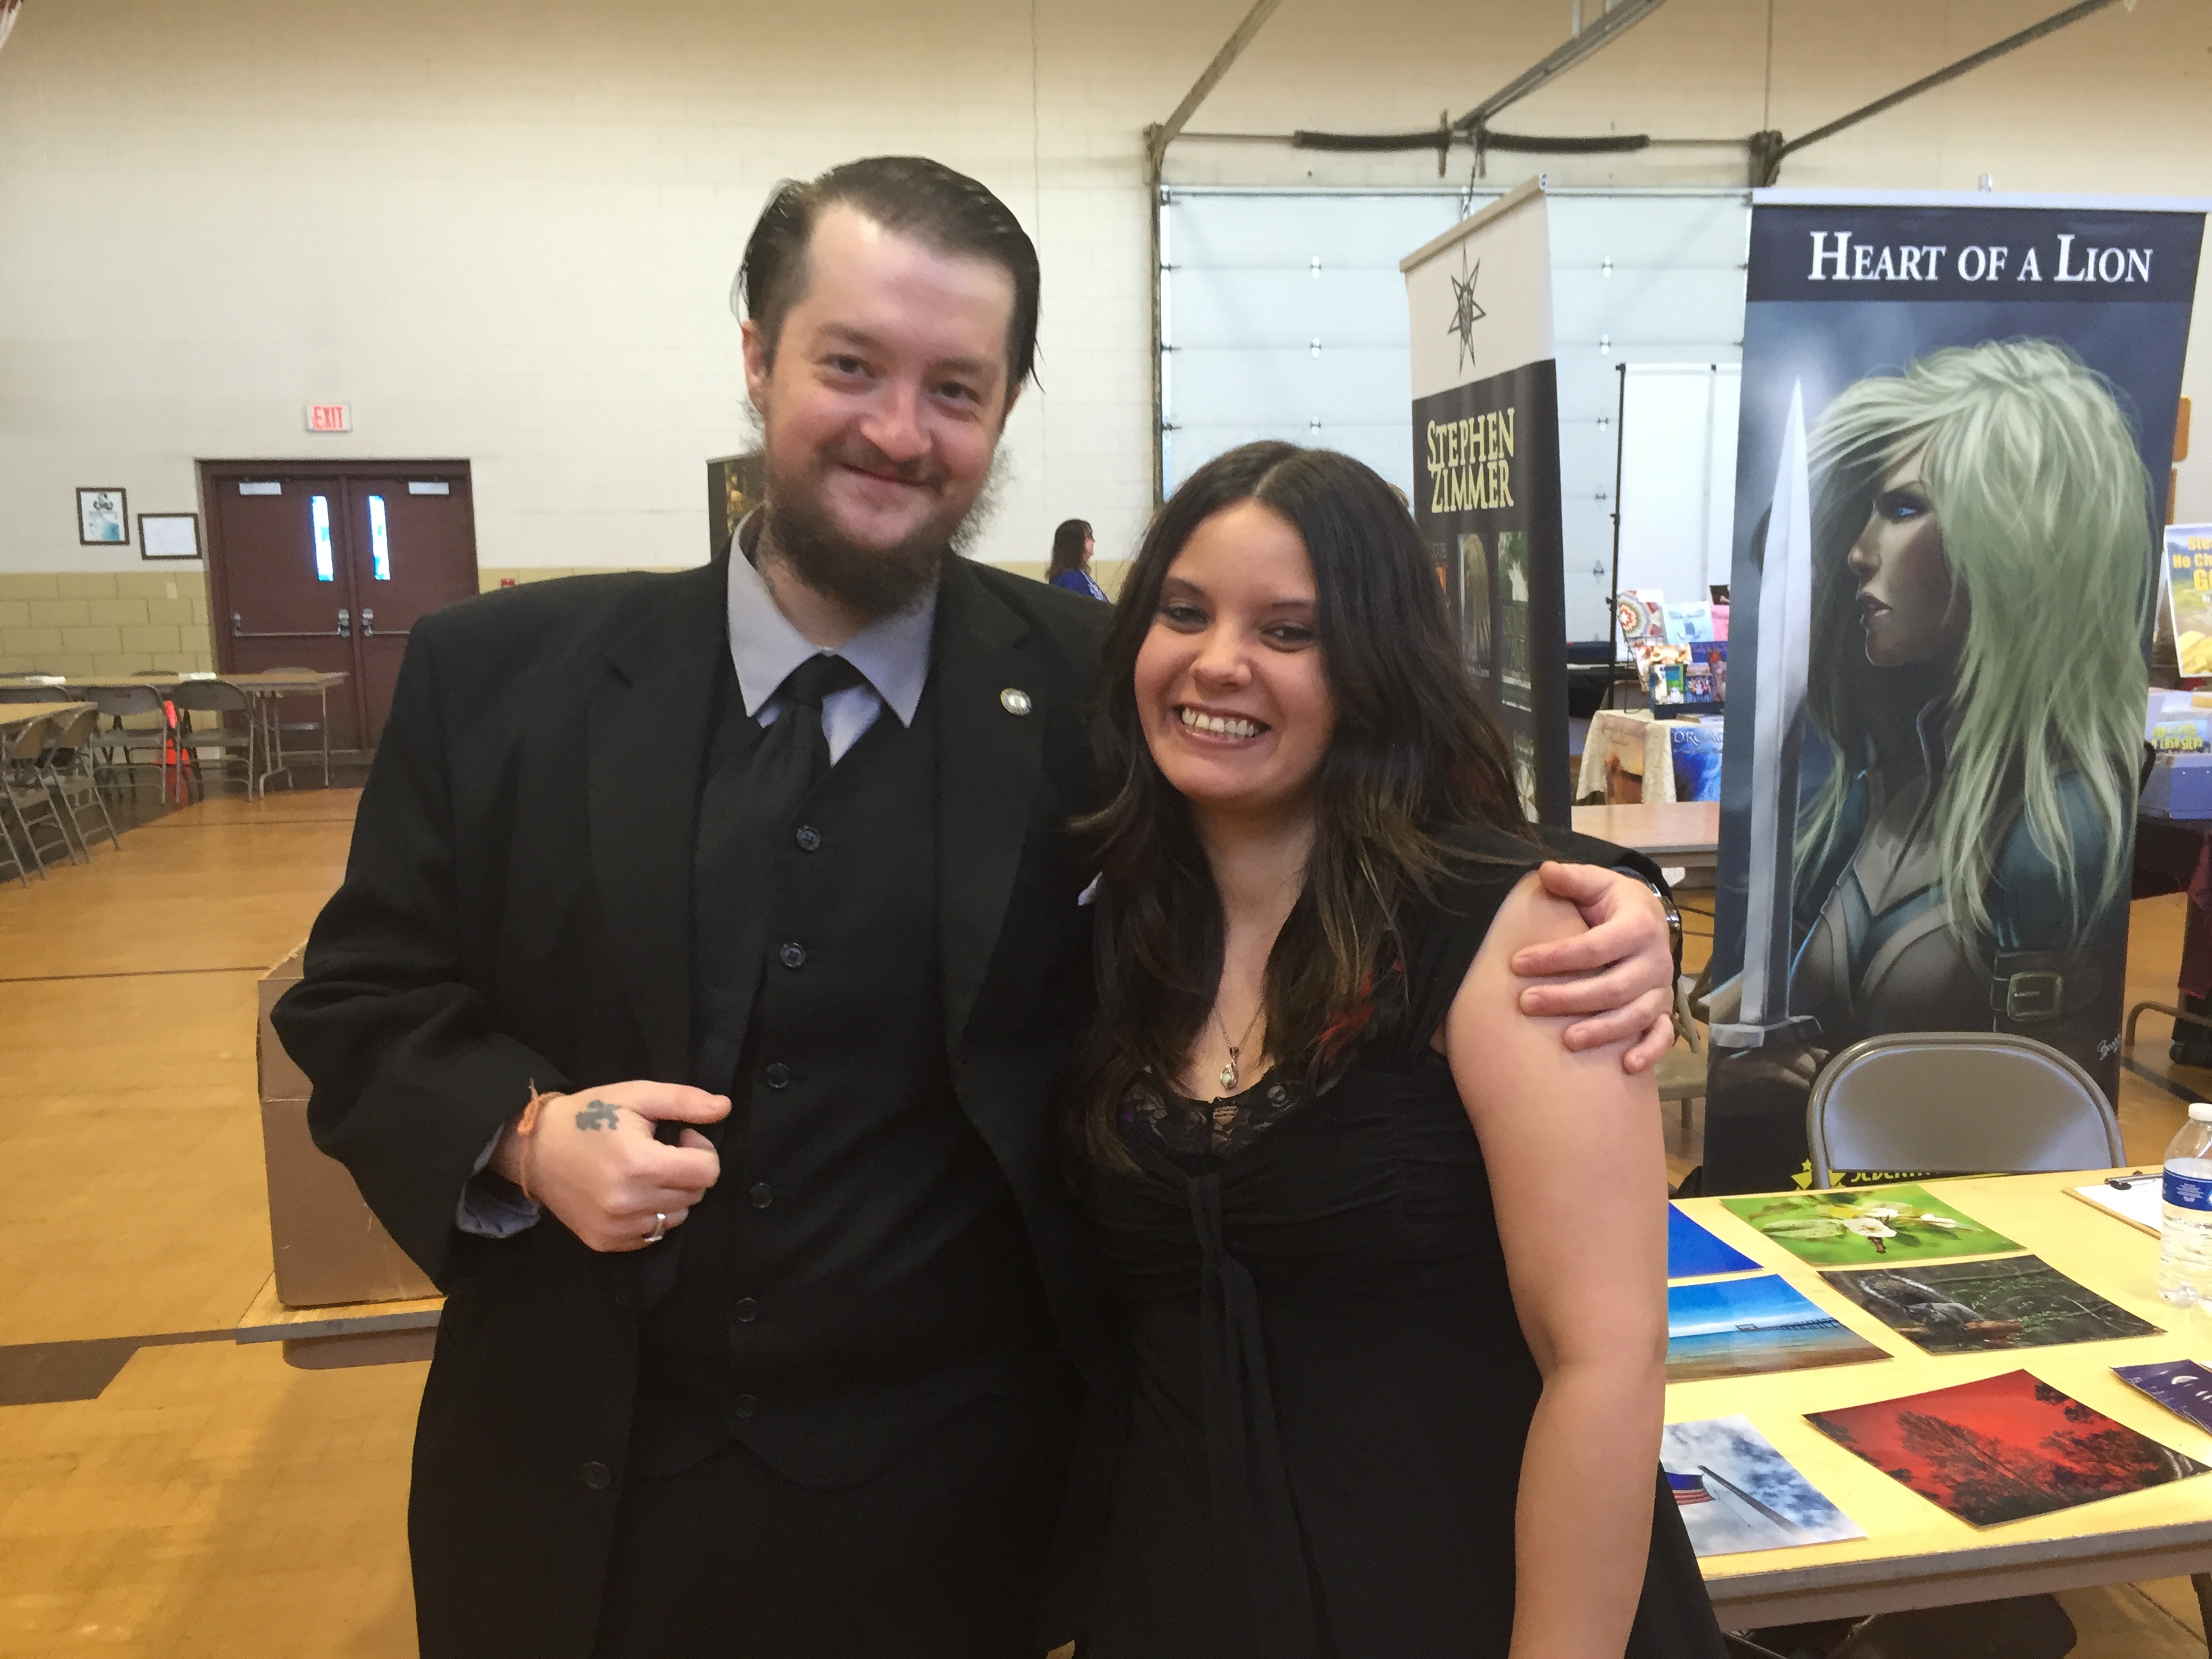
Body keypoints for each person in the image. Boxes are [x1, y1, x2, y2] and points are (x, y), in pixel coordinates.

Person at [271, 157, 1682, 1659]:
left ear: (1003, 410)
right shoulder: (502, 679)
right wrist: (522, 1131)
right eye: (851, 366)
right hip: (576, 1505)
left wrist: (1615, 899)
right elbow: (360, 997)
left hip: (957, 1532)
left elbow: (1358, 810)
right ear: (756, 356)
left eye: (955, 388)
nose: (899, 430)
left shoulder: (1101, 693)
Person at [1067, 440, 1724, 1658]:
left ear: (1374, 665)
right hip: (1190, 1598)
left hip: (1481, 1601)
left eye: (1288, 631)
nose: (1219, 661)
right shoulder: (1120, 927)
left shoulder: (1511, 932)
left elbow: (1605, 1359)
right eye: (1184, 612)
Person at [1723, 339, 2152, 1097]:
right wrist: (1736, 1060)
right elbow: (1757, 1019)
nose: (1858, 553)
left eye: (1904, 508)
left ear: (2015, 538)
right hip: (1808, 1166)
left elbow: (2049, 1110)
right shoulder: (1876, 791)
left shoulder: (2058, 832)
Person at [1048, 516, 1107, 599]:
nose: (1093, 540)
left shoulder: (1079, 574)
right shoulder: (1068, 579)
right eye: (1089, 537)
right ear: (1076, 544)